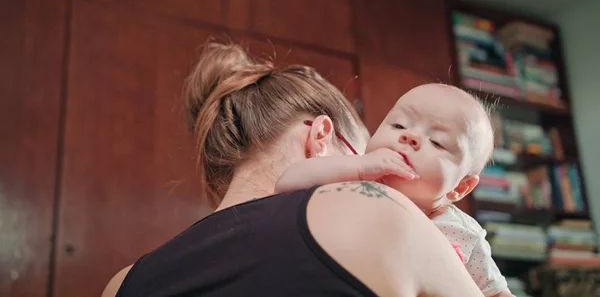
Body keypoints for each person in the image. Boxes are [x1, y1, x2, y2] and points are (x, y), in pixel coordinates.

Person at [102, 41, 484, 297]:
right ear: (321, 137)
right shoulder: (376, 208)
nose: (379, 178)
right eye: (362, 156)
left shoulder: (121, 282)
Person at [276, 83, 514, 297]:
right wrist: (358, 166)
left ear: (460, 187)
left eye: (437, 142)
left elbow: (496, 292)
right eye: (399, 125)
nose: (409, 137)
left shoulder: (463, 233)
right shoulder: (352, 184)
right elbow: (287, 183)